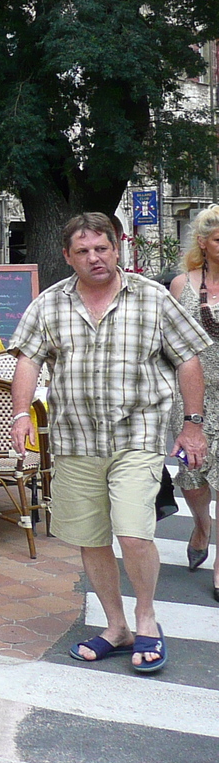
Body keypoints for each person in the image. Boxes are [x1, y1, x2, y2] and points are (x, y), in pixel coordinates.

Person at [10, 213, 210, 672]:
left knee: (133, 530)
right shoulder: (49, 304)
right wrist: (21, 413)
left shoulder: (153, 297)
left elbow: (188, 360)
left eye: (101, 248)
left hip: (137, 434)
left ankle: (147, 620)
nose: (93, 258)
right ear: (68, 256)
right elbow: (28, 360)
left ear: (116, 248)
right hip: (75, 438)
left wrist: (192, 424)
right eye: (82, 251)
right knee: (91, 537)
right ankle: (115, 626)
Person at [168, 205, 219, 598]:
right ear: (203, 243)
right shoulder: (182, 285)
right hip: (191, 397)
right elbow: (169, 344)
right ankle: (202, 523)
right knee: (192, 476)